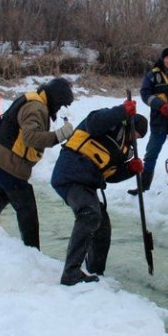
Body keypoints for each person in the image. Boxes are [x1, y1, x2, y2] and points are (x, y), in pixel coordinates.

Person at [51, 100, 148, 285]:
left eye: (139, 137)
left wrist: (130, 169)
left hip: (88, 185)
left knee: (102, 226)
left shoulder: (124, 150)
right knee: (89, 214)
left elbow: (110, 175)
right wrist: (122, 111)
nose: (135, 138)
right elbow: (94, 123)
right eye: (136, 133)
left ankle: (96, 271)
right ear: (130, 124)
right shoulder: (110, 121)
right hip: (69, 175)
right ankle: (71, 272)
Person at [0, 77, 75, 249]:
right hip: (8, 165)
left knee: (3, 192)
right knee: (27, 211)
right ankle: (32, 253)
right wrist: (60, 135)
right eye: (59, 104)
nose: (59, 108)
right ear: (55, 98)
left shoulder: (34, 99)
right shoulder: (35, 108)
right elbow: (30, 137)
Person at [128, 46, 168, 195]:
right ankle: (144, 187)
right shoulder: (152, 75)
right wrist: (160, 105)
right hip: (158, 121)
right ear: (163, 59)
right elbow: (145, 94)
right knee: (151, 154)